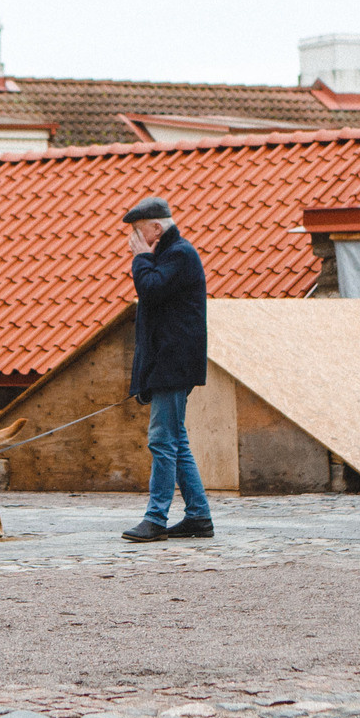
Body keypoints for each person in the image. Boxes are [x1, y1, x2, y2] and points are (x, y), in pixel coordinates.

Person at [120, 195, 213, 542]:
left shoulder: (178, 254)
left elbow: (151, 290)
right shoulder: (169, 255)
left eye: (138, 231)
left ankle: (155, 518)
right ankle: (199, 516)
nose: (134, 239)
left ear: (156, 228)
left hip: (174, 363)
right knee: (177, 441)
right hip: (167, 362)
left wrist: (141, 258)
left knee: (162, 441)